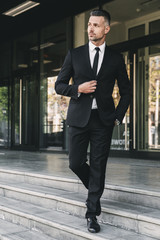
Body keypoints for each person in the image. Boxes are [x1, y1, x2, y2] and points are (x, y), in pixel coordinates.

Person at [55, 9, 131, 233]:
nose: (90, 29)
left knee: (98, 165)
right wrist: (77, 88)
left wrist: (118, 117)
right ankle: (96, 188)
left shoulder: (116, 58)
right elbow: (59, 85)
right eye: (89, 24)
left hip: (104, 120)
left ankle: (92, 214)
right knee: (75, 163)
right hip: (79, 118)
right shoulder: (74, 54)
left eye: (96, 25)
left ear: (106, 29)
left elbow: (126, 92)